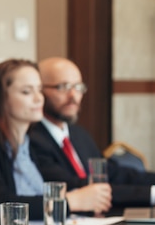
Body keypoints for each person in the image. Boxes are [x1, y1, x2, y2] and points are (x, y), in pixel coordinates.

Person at [0, 58, 111, 223]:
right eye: (27, 92)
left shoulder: (30, 143)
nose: (39, 99)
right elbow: (0, 205)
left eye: (39, 90)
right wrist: (70, 201)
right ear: (1, 99)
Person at [29, 57, 155, 210]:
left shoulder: (79, 134)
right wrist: (151, 193)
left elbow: (112, 172)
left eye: (78, 87)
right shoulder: (31, 139)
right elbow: (79, 189)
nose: (73, 96)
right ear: (39, 91)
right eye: (63, 87)